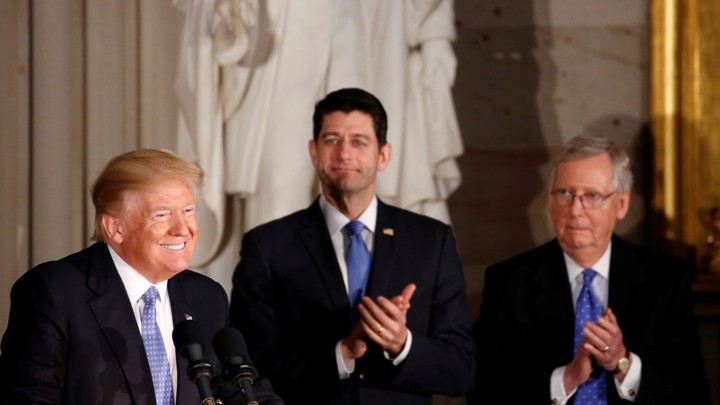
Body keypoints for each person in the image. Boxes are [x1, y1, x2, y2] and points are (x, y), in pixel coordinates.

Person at [229, 88, 475, 404]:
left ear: (383, 155)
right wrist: (341, 355)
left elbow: (461, 370)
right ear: (313, 151)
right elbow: (248, 366)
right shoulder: (267, 246)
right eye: (332, 140)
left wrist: (402, 344)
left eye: (359, 142)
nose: (344, 154)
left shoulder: (431, 241)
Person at [0, 149, 282, 405]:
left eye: (188, 211)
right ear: (116, 228)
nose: (182, 229)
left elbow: (248, 390)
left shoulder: (207, 297)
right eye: (161, 215)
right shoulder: (55, 292)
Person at [467, 134, 710, 404]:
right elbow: (483, 392)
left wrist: (622, 365)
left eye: (592, 196)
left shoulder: (665, 280)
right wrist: (567, 379)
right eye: (565, 193)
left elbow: (693, 396)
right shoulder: (510, 282)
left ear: (621, 204)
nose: (575, 210)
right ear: (549, 200)